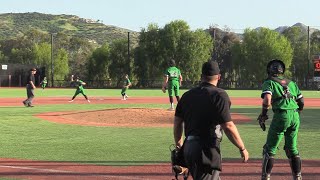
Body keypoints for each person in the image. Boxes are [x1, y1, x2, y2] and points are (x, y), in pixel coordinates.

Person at [173, 61, 249, 180]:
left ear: (201, 76)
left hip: (189, 147)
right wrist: (242, 147)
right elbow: (228, 126)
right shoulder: (219, 95)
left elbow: (177, 123)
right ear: (219, 77)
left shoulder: (187, 95)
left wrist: (180, 146)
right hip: (206, 150)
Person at [258, 59, 304, 180]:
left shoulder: (269, 82)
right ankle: (297, 177)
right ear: (282, 70)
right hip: (295, 116)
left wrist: (263, 115)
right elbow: (301, 102)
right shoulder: (292, 83)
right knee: (292, 148)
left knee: (270, 149)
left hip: (281, 116)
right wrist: (296, 114)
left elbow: (267, 100)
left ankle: (265, 177)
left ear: (269, 70)